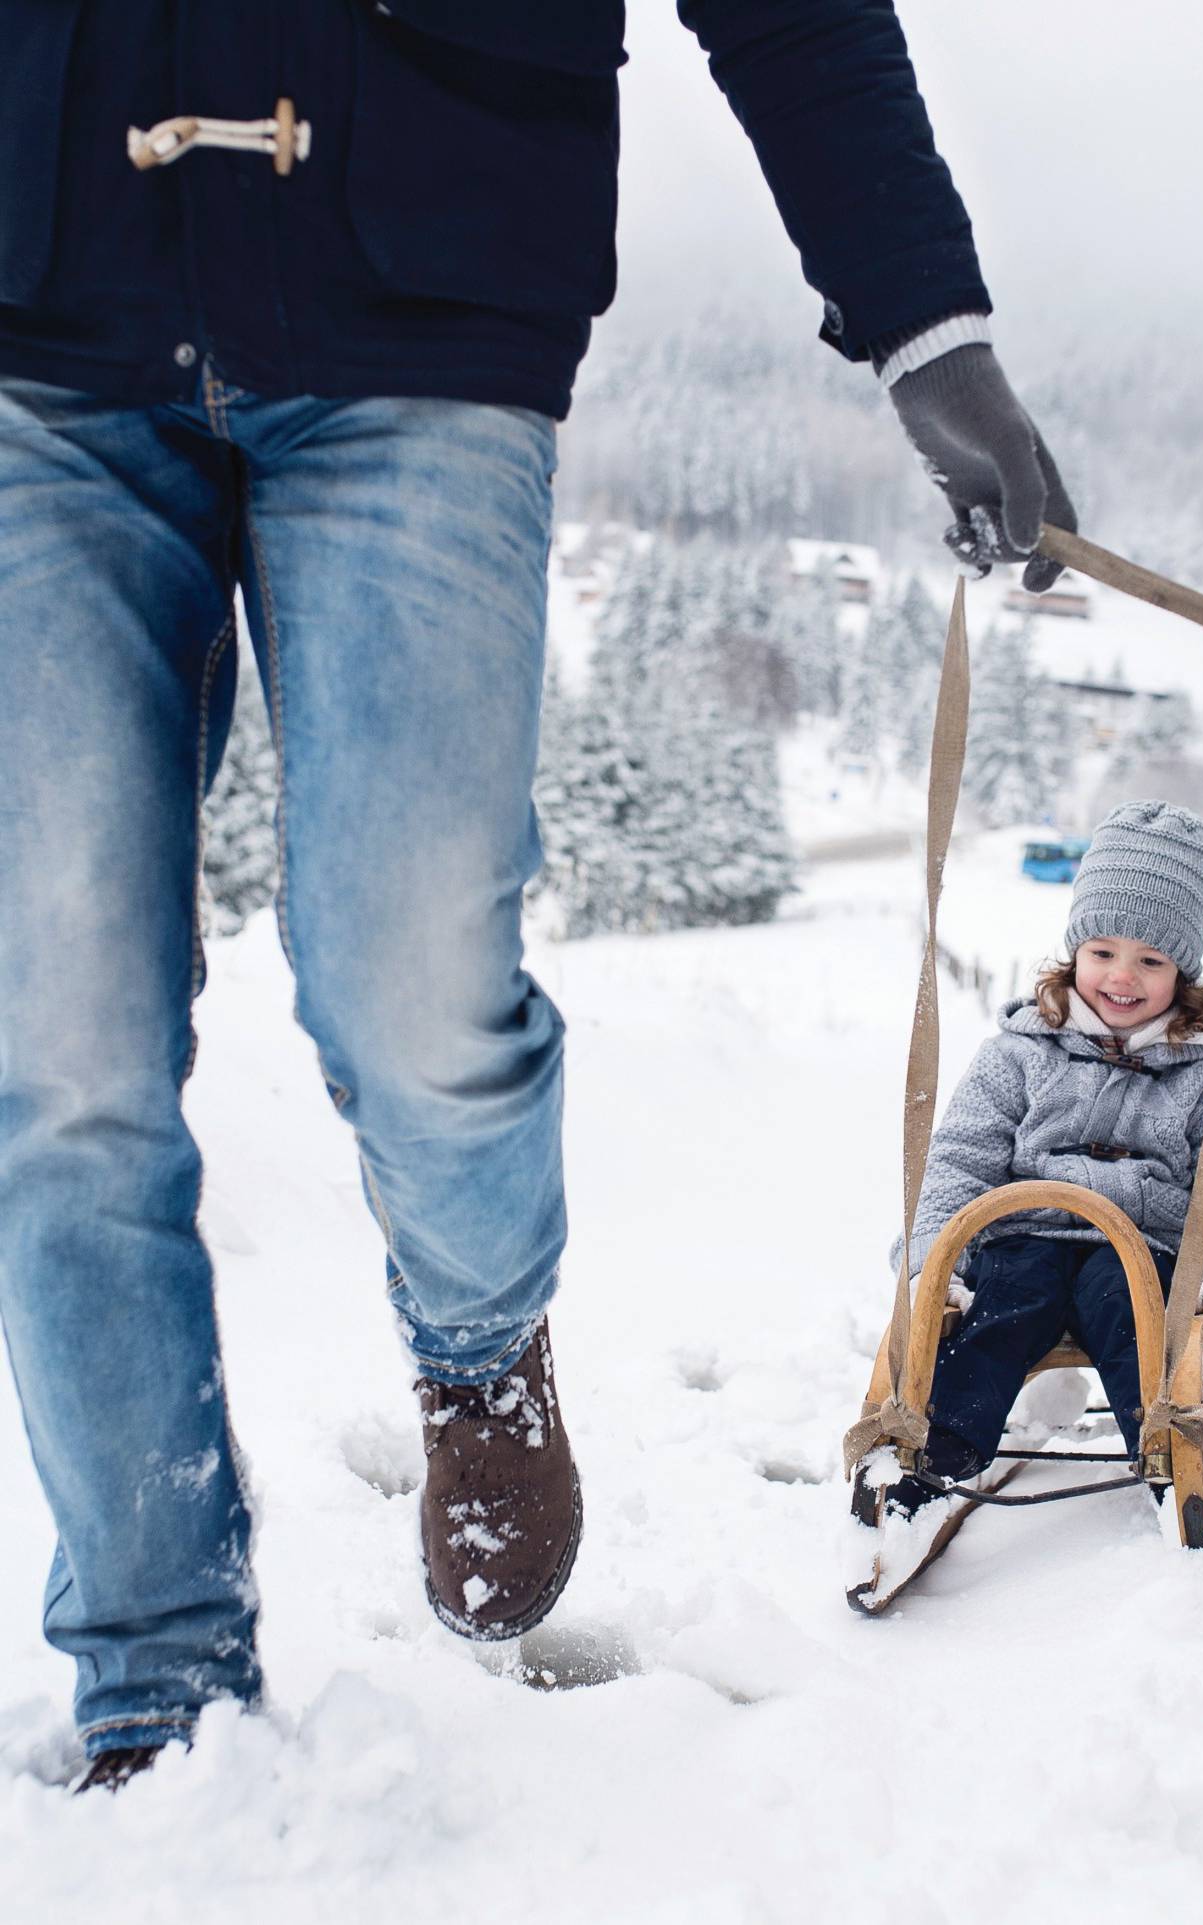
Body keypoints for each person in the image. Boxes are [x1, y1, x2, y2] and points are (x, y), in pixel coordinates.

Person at [0, 0, 1073, 1792]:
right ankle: (152, 1665)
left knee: (409, 978)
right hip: (40, 310)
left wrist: (923, 322)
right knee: (52, 1049)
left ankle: (480, 1349)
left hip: (415, 288)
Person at [882, 802, 1203, 1517]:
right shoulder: (1021, 1049)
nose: (1121, 977)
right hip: (1024, 1232)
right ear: (1074, 953)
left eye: (1150, 959)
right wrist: (932, 1260)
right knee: (1008, 1300)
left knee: (1132, 1310)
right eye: (1103, 952)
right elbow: (961, 1157)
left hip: (1142, 1247)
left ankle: (1171, 1450)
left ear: (1182, 970)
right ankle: (943, 1448)